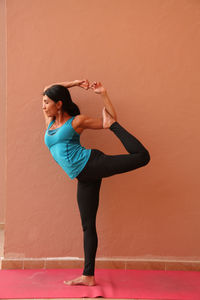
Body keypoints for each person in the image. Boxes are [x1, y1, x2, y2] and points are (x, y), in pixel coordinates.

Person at [42, 79, 150, 286]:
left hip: (92, 163)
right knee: (87, 225)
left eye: (47, 102)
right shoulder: (49, 123)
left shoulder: (76, 121)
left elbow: (107, 120)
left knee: (142, 157)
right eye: (43, 102)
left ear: (59, 104)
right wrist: (74, 82)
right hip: (84, 177)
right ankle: (88, 276)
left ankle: (119, 131)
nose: (44, 105)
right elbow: (48, 87)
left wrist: (103, 94)